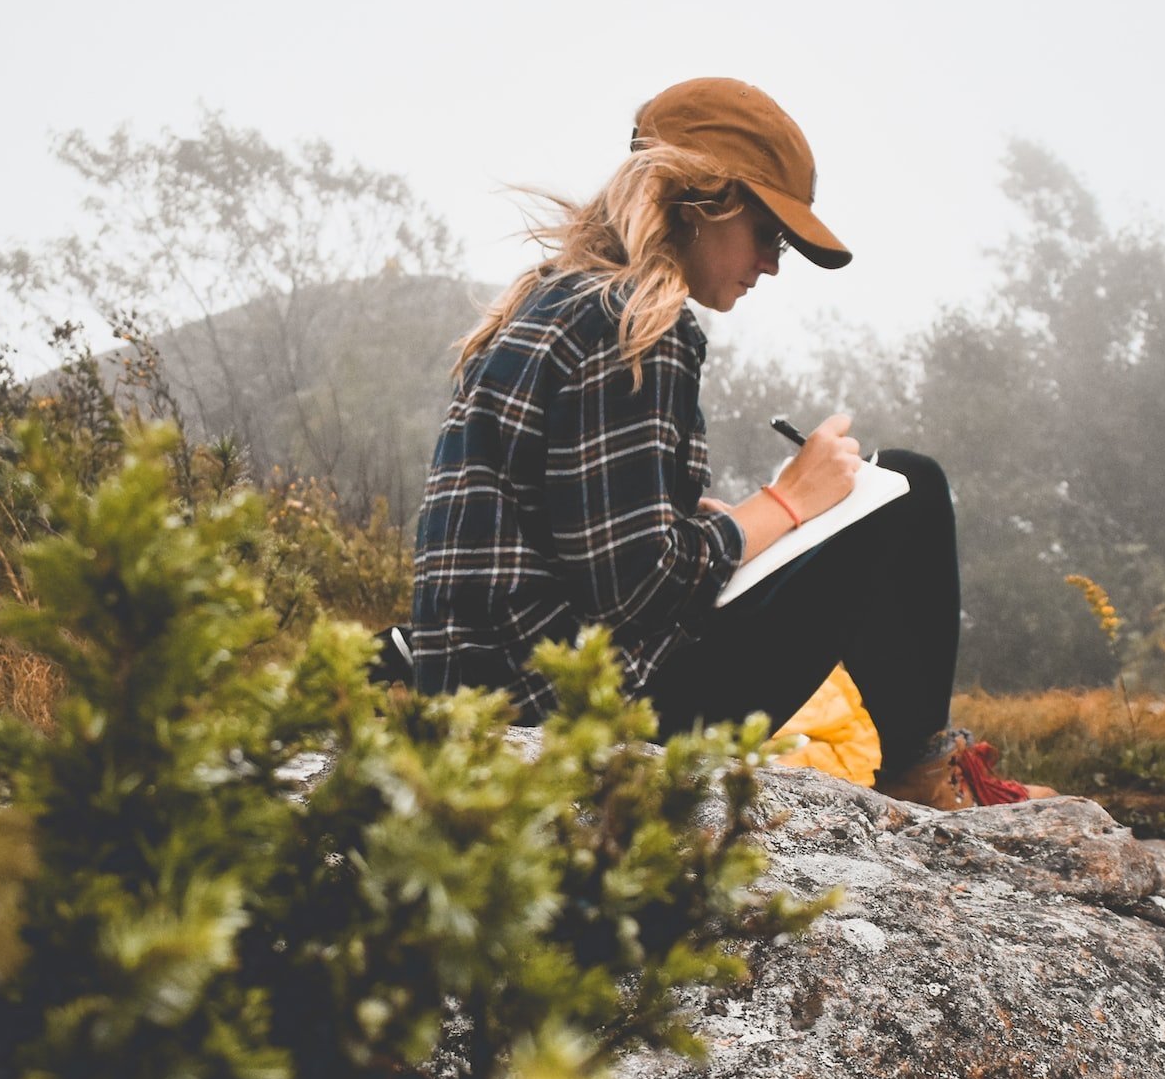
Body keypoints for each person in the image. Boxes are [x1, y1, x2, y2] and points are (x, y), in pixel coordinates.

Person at [410, 77, 1046, 809]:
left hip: (497, 702)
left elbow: (582, 554)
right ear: (700, 200)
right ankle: (920, 772)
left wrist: (722, 525)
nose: (773, 263)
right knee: (908, 489)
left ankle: (918, 767)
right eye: (768, 233)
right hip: (584, 716)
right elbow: (637, 588)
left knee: (856, 504)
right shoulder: (637, 323)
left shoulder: (550, 303)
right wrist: (788, 500)